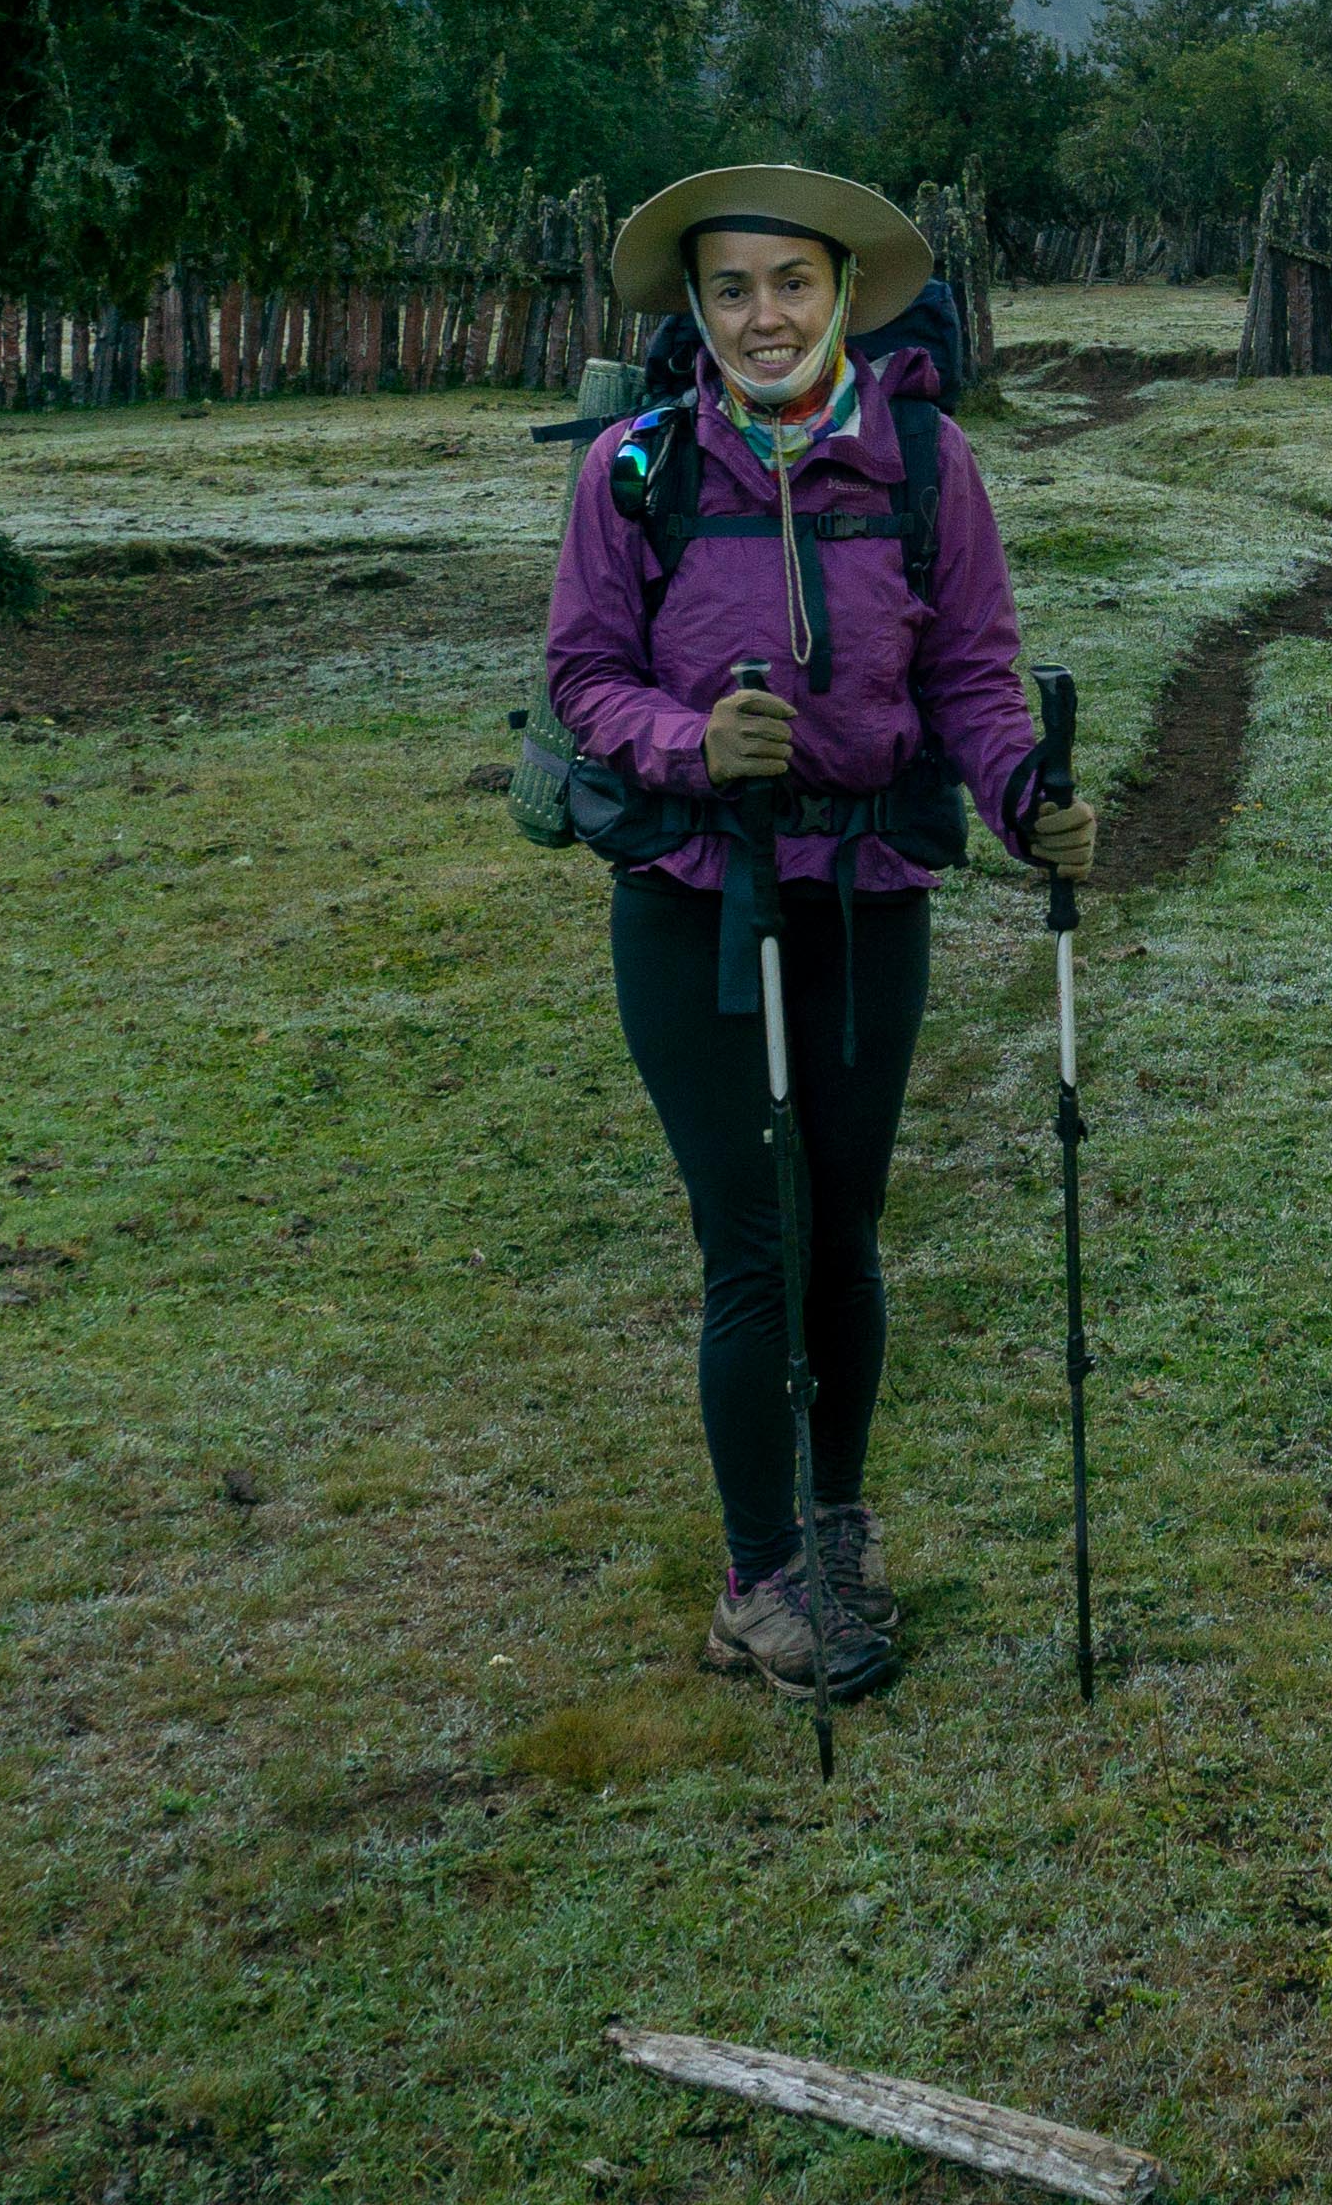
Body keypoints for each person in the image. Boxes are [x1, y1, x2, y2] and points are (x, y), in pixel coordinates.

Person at [543, 163, 1097, 1699]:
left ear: (846, 291)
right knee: (755, 1244)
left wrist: (1026, 799)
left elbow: (975, 681)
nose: (764, 315)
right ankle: (758, 1583)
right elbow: (584, 678)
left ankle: (838, 1534)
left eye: (792, 282)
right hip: (690, 907)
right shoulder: (636, 471)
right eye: (732, 289)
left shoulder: (927, 461)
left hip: (865, 902)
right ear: (698, 308)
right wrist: (686, 747)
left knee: (845, 1232)